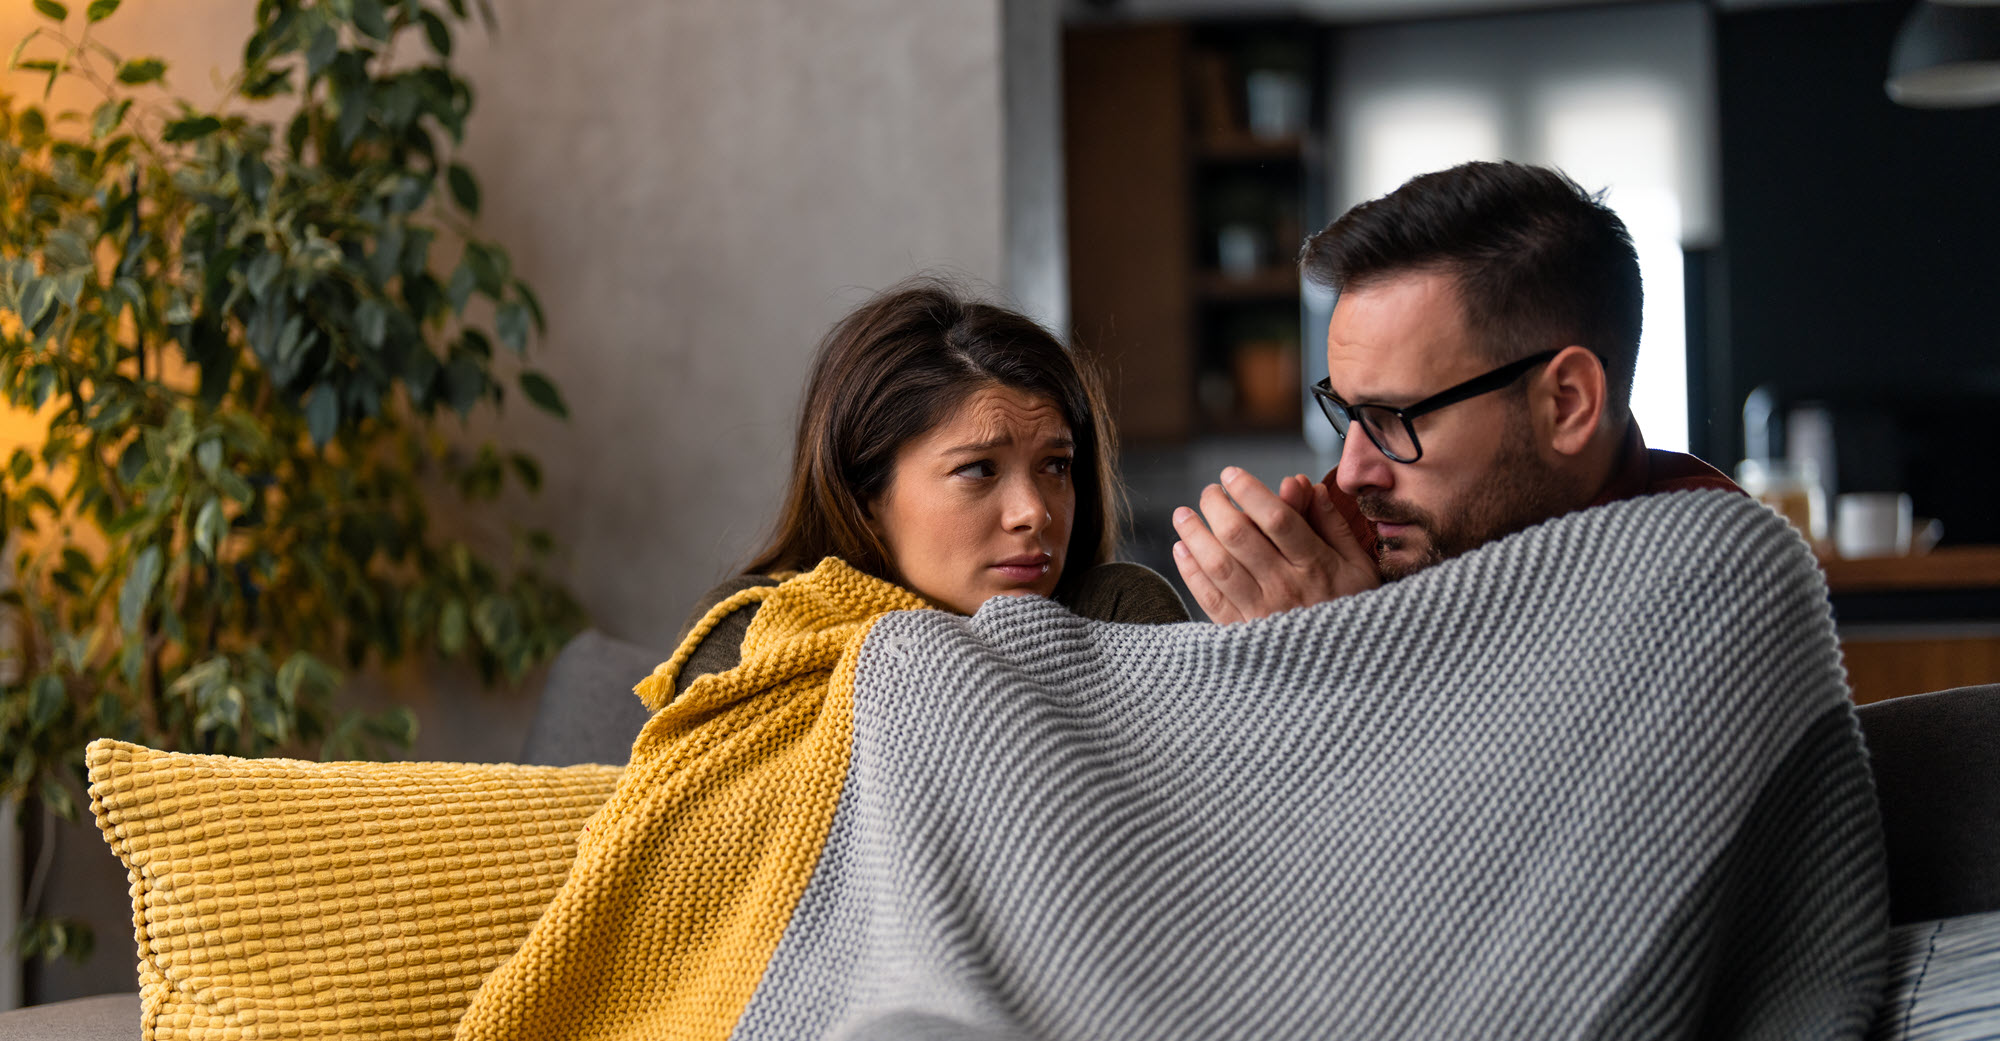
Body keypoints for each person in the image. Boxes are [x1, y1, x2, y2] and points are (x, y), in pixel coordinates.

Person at [1170, 160, 1739, 624]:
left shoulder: (1717, 574)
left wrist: (1346, 660)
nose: (1350, 472)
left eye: (1394, 415)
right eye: (1349, 412)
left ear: (1566, 404)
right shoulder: (1352, 529)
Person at [667, 278, 1187, 699]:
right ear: (864, 495)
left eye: (1055, 466)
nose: (1034, 512)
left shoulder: (1116, 611)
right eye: (980, 469)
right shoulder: (754, 632)